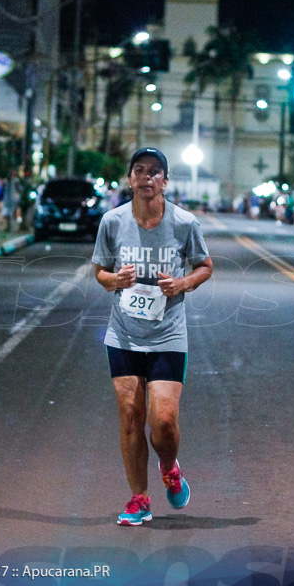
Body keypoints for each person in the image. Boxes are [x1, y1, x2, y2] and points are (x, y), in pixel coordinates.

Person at [92, 148, 214, 526]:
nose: (147, 178)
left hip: (167, 334)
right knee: (130, 416)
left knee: (162, 423)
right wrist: (115, 280)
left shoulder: (183, 223)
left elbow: (205, 266)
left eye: (155, 172)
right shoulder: (112, 222)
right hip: (124, 335)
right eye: (140, 171)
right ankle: (139, 499)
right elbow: (99, 270)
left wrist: (183, 283)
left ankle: (169, 466)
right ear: (129, 179)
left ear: (165, 181)